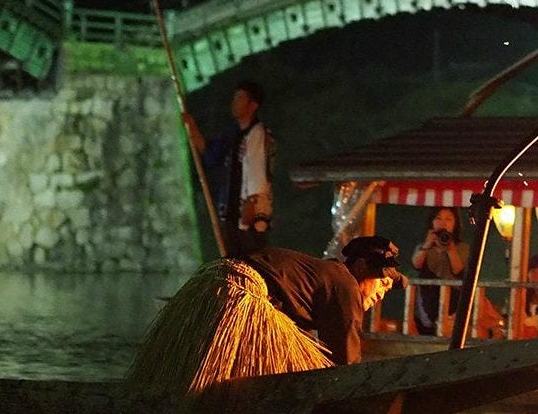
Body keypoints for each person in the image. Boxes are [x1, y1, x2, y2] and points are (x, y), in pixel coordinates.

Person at [243, 236, 407, 365]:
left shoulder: (327, 276)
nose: (381, 295)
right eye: (382, 284)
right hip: (247, 294)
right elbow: (345, 363)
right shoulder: (345, 284)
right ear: (360, 266)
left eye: (386, 290)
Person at [183, 79, 275, 257]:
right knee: (232, 260)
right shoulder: (232, 135)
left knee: (252, 261)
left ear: (252, 105)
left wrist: (250, 206)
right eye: (235, 98)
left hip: (250, 214)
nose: (234, 103)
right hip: (230, 212)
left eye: (240, 99)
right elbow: (211, 154)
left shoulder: (259, 134)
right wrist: (191, 127)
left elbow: (258, 173)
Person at [410, 207, 469, 335]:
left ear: (455, 223)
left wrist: (450, 249)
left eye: (448, 219)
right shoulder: (423, 247)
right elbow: (416, 264)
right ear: (432, 222)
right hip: (428, 298)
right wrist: (427, 245)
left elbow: (458, 270)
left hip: (453, 300)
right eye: (438, 218)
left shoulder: (462, 247)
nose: (443, 223)